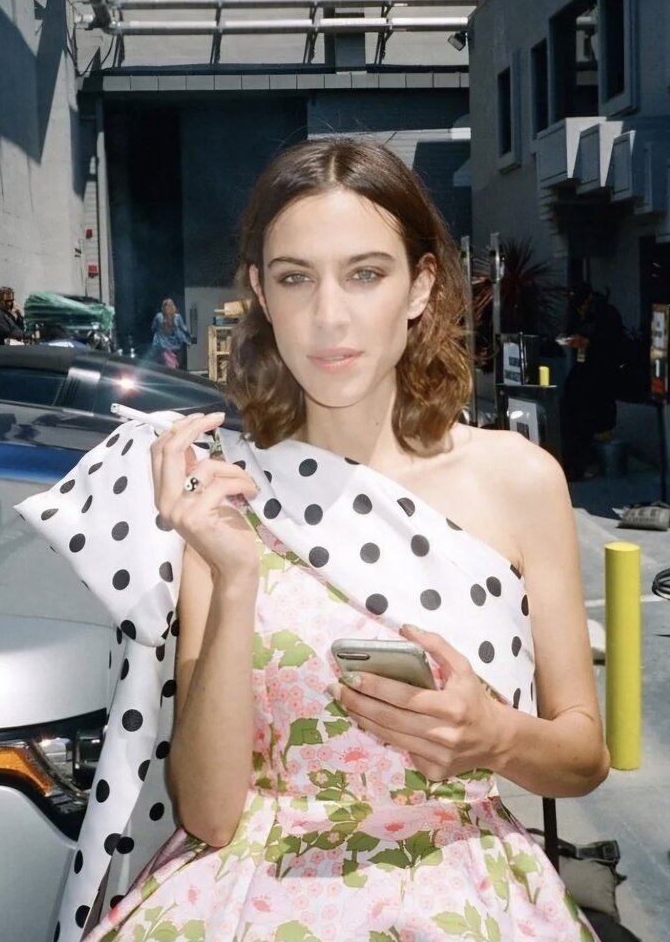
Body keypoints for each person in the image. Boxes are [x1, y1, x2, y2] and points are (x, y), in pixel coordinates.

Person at [69, 140, 606, 941]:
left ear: (419, 284)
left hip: (463, 893)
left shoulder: (519, 480)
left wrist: (495, 737)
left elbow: (582, 756)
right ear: (260, 291)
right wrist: (235, 577)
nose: (328, 315)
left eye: (364, 274)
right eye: (295, 278)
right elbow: (209, 814)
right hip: (247, 900)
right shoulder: (224, 492)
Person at [560, 282, 625, 481]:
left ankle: (580, 465)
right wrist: (570, 340)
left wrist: (589, 343)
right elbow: (571, 330)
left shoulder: (605, 313)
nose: (580, 308)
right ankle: (573, 463)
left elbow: (614, 343)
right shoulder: (579, 313)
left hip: (601, 370)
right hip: (584, 368)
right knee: (569, 408)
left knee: (585, 417)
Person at [150, 298, 193, 369]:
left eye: (171, 305)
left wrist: (188, 337)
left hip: (176, 346)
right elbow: (154, 328)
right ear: (164, 307)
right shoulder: (159, 317)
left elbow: (183, 328)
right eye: (167, 305)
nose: (169, 307)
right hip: (164, 346)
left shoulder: (177, 317)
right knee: (169, 367)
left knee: (175, 366)